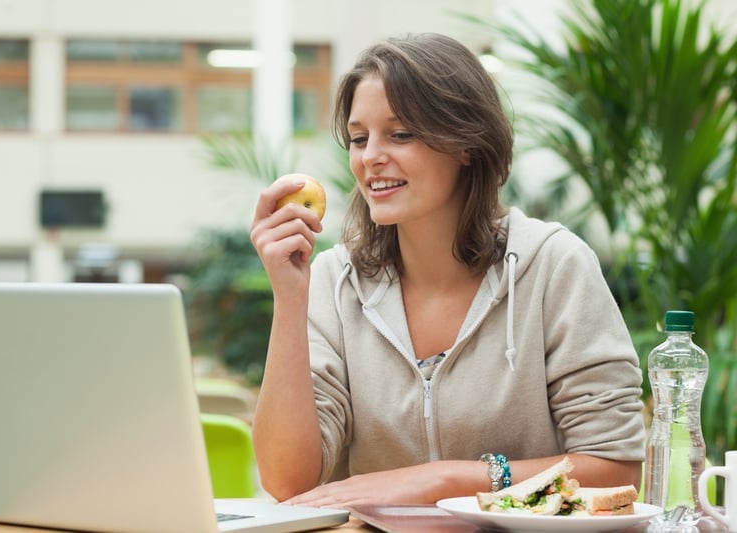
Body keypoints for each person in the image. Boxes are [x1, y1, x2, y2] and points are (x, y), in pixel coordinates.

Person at [249, 32, 645, 507]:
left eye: (400, 134)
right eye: (359, 138)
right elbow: (288, 483)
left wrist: (443, 480)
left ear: (466, 144)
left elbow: (615, 467)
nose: (370, 156)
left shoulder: (553, 265)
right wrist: (290, 299)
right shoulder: (335, 281)